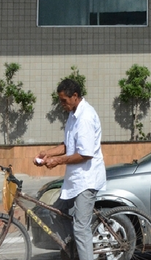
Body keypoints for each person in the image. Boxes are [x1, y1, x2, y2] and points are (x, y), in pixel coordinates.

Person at [35, 79, 106, 260]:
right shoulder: (73, 115)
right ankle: (74, 250)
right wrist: (48, 154)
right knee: (56, 213)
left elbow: (85, 154)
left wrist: (57, 161)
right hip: (75, 179)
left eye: (64, 100)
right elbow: (69, 145)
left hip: (87, 179)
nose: (62, 104)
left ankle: (83, 252)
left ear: (75, 96)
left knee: (81, 228)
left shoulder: (85, 117)